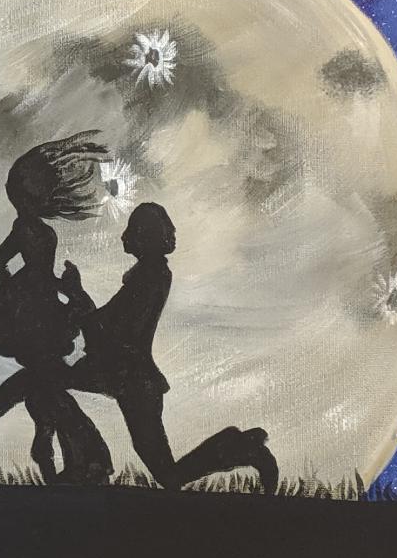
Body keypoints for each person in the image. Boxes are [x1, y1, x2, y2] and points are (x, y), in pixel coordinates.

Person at [60, 202, 279, 494]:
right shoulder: (149, 275)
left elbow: (113, 328)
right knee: (166, 472)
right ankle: (237, 447)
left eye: (134, 230)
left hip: (132, 378)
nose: (126, 237)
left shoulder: (148, 277)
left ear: (145, 236)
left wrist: (77, 295)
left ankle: (239, 449)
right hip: (127, 376)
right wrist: (80, 300)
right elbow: (107, 323)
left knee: (167, 474)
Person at [0, 132, 114, 484]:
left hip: (44, 301)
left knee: (41, 384)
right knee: (44, 381)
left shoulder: (44, 231)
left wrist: (61, 286)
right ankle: (56, 454)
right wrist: (14, 293)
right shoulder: (23, 228)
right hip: (31, 305)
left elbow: (44, 270)